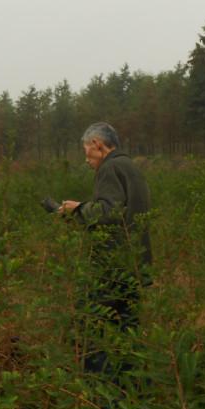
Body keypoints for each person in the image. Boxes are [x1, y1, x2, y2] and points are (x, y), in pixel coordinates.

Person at [58, 122, 152, 375]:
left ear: (97, 145)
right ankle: (130, 388)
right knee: (127, 330)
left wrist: (77, 209)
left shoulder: (110, 168)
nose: (86, 159)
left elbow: (110, 211)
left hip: (111, 269)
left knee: (93, 324)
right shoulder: (131, 167)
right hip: (134, 265)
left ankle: (99, 394)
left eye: (85, 150)